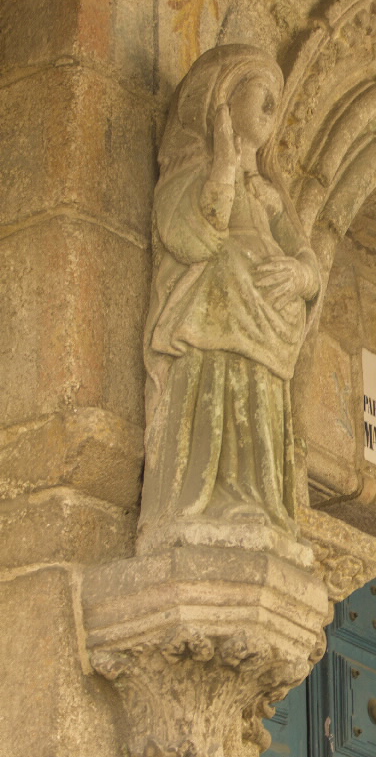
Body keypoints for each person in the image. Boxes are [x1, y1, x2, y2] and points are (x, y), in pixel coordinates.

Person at [139, 44, 320, 551]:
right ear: (225, 96)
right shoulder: (195, 168)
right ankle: (209, 494)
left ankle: (261, 499)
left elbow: (307, 256)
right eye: (262, 92)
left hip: (269, 327)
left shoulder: (270, 190)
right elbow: (189, 238)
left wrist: (300, 277)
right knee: (218, 391)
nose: (272, 109)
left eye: (276, 101)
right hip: (218, 321)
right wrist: (224, 162)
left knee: (258, 407)